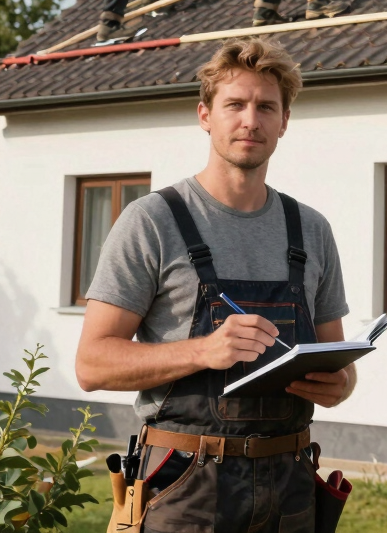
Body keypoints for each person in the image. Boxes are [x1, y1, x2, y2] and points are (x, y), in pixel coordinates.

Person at [75, 37, 354, 532]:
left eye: (266, 106)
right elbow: (92, 364)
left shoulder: (311, 230)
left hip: (290, 482)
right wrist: (203, 351)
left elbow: (340, 364)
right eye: (235, 105)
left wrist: (339, 383)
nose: (251, 119)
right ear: (205, 114)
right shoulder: (152, 221)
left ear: (284, 121)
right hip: (188, 486)